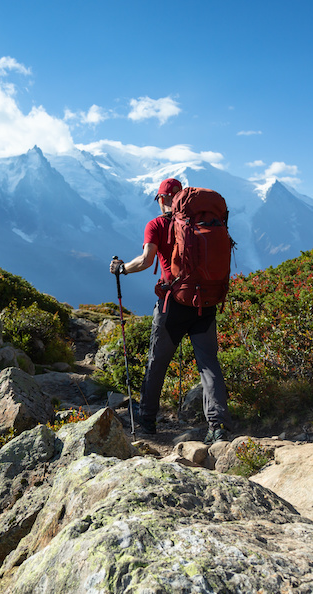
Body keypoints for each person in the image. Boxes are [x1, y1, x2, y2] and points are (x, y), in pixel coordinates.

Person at [109, 177, 231, 442]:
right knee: (209, 365)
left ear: (163, 199)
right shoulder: (204, 221)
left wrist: (122, 268)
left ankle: (148, 420)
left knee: (157, 362)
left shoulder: (156, 224)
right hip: (205, 302)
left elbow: (146, 260)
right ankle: (218, 426)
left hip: (173, 304)